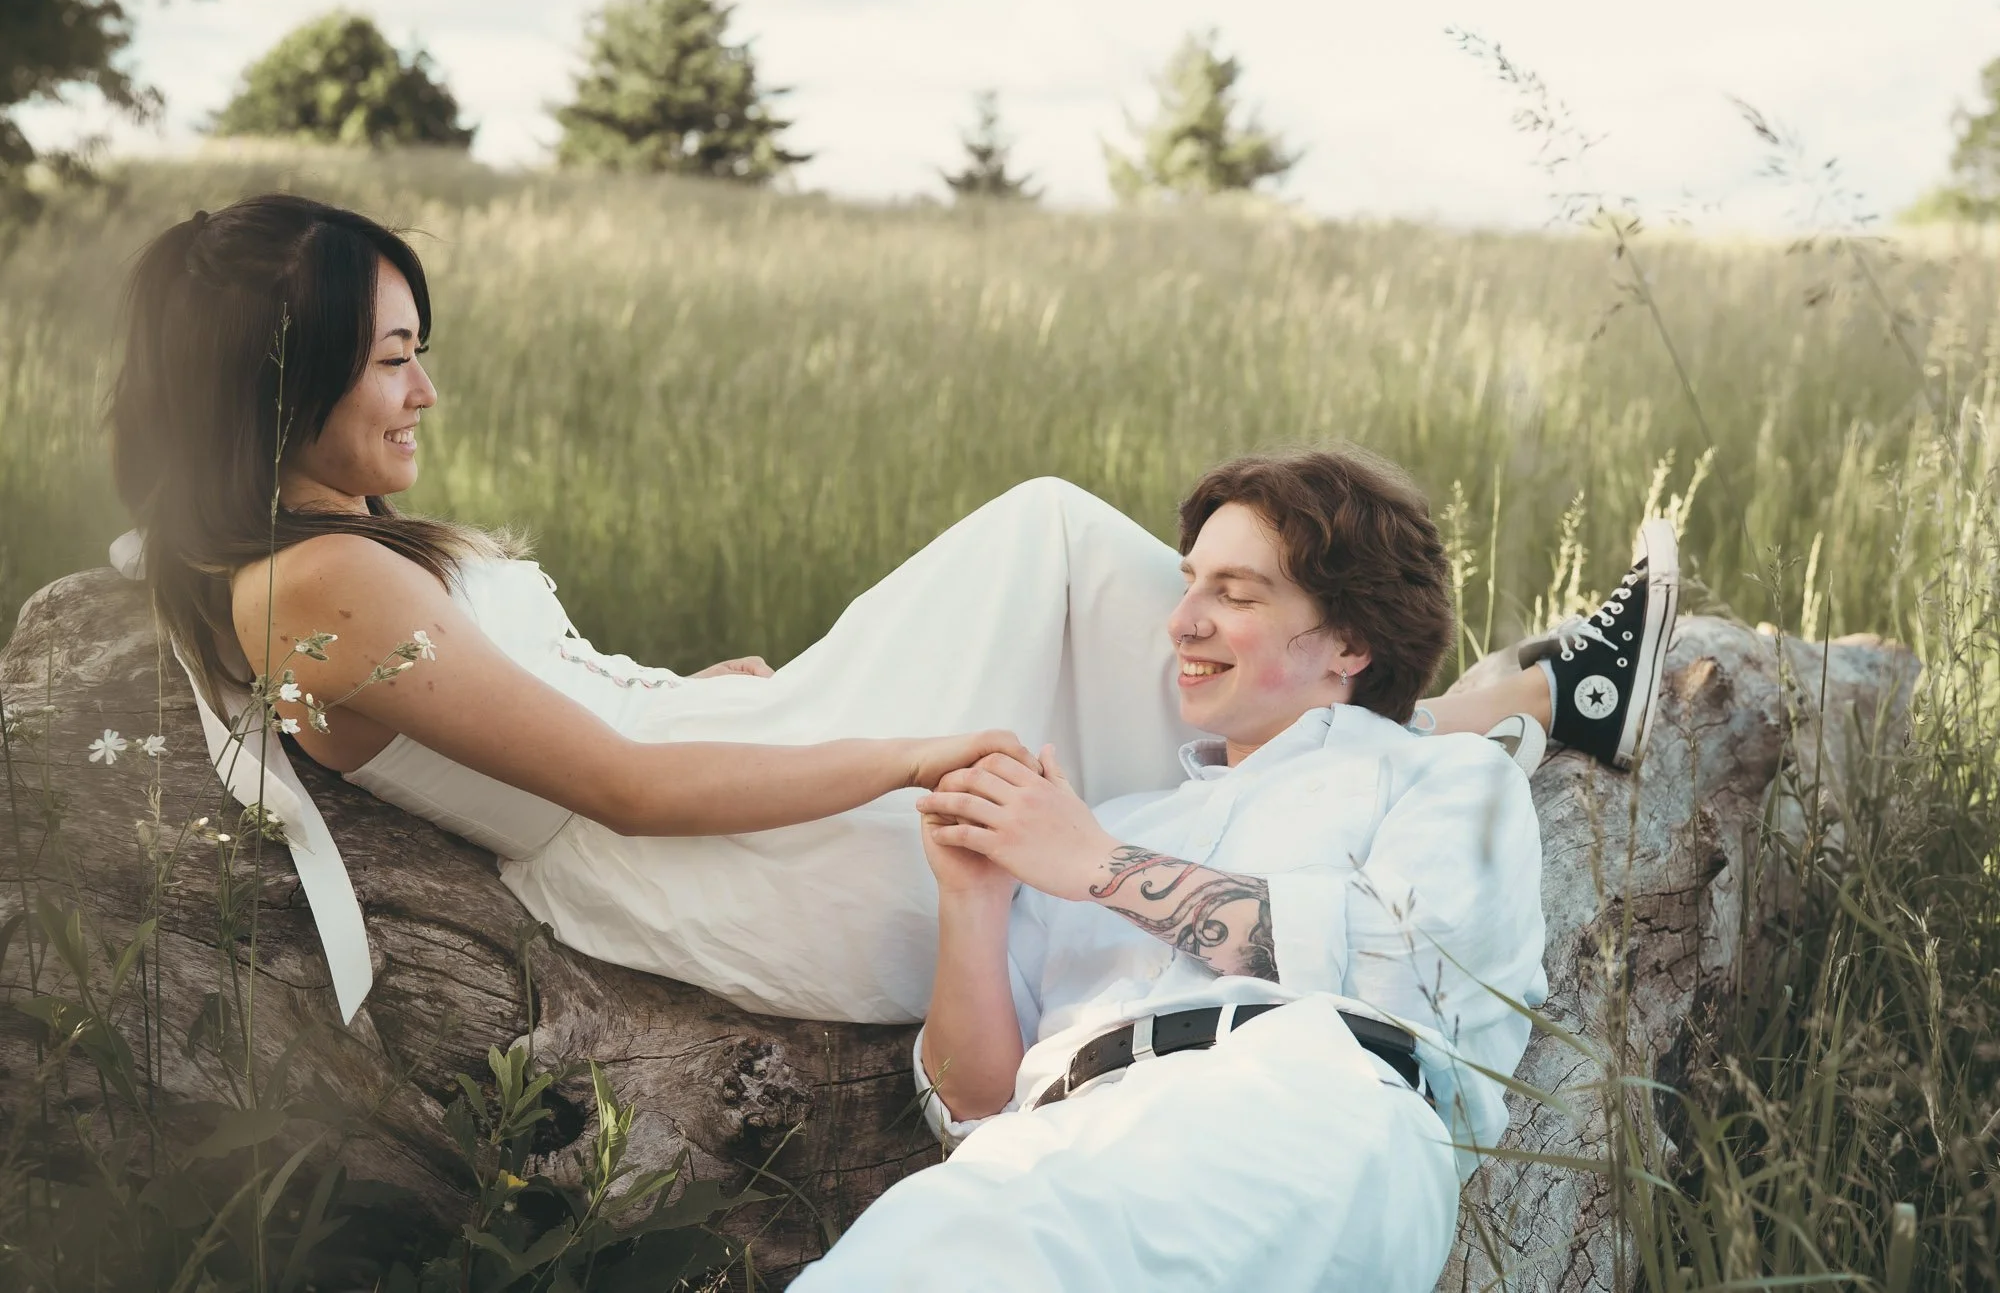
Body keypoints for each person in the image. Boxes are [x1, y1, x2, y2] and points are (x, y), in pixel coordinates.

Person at [105, 194, 1680, 1028]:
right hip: (722, 871)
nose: (424, 388)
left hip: (707, 750)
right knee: (1055, 550)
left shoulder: (311, 541)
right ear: (278, 376)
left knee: (1053, 546)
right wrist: (910, 747)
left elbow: (566, 713)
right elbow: (623, 792)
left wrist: (686, 682)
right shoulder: (304, 579)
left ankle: (1446, 710)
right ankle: (1480, 714)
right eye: (389, 357)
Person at [791, 450, 1550, 1292]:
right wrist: (973, 898)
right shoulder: (1114, 819)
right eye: (1189, 584)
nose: (1182, 620)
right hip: (1048, 1148)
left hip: (1304, 1103)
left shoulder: (1446, 780)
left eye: (1234, 593)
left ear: (1352, 641)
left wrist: (1098, 867)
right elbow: (969, 1102)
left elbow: (1398, 964)